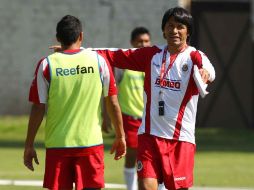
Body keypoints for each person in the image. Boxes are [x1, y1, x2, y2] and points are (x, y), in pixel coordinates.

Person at [96, 7, 216, 190]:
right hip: (149, 136)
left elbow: (209, 69)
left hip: (180, 140)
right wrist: (78, 52)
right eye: (170, 26)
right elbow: (115, 55)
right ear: (163, 29)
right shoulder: (151, 54)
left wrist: (205, 73)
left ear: (188, 31)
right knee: (145, 185)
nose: (174, 31)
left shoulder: (194, 56)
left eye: (179, 27)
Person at [23, 15, 126, 190]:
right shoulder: (99, 62)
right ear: (81, 36)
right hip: (90, 144)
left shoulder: (47, 65)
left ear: (57, 38)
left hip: (58, 145)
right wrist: (120, 135)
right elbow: (113, 102)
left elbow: (38, 107)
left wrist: (29, 144)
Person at [115, 27, 151, 190]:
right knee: (131, 155)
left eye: (146, 41)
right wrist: (108, 118)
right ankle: (131, 188)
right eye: (139, 41)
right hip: (130, 118)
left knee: (152, 156)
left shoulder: (154, 62)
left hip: (151, 119)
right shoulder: (124, 65)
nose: (143, 44)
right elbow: (111, 92)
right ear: (132, 43)